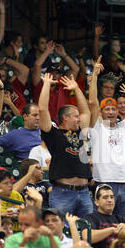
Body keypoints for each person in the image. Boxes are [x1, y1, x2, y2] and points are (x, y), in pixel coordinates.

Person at [88, 58, 125, 221]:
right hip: (104, 184)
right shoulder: (97, 128)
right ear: (101, 112)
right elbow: (92, 102)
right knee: (103, 224)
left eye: (114, 108)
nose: (112, 111)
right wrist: (94, 76)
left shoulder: (124, 127)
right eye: (107, 109)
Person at [39, 71, 95, 217]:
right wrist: (46, 85)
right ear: (65, 118)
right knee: (59, 230)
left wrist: (76, 89)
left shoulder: (81, 133)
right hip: (62, 193)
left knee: (87, 231)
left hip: (84, 192)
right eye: (75, 117)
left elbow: (86, 112)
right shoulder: (54, 134)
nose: (79, 119)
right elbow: (42, 110)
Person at [83, 184, 125, 248]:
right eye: (105, 197)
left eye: (112, 197)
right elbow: (87, 236)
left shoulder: (120, 219)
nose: (110, 200)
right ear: (96, 202)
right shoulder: (91, 217)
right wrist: (111, 230)